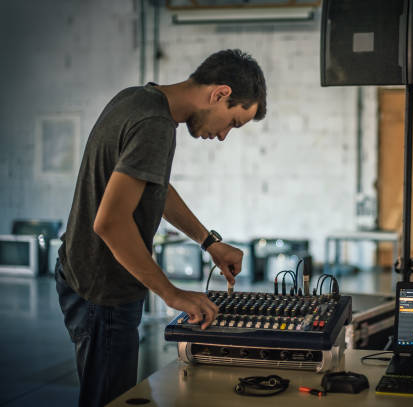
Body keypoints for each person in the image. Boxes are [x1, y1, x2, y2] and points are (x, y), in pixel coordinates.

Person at [55, 49, 267, 406]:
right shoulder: (154, 125)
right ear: (220, 94)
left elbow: (156, 187)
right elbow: (109, 223)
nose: (223, 136)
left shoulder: (137, 99)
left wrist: (209, 242)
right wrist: (172, 294)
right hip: (104, 290)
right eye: (233, 122)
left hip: (80, 271)